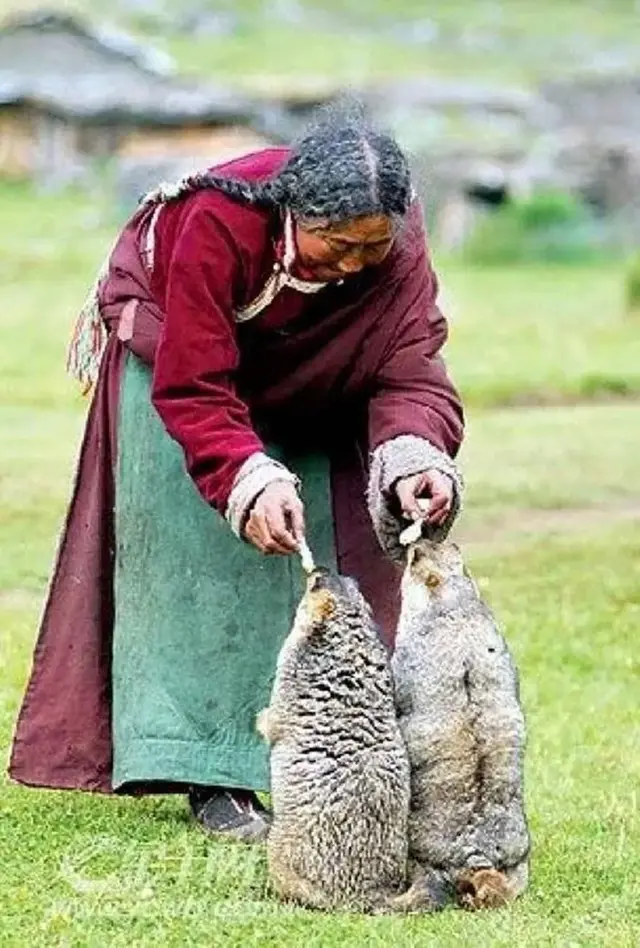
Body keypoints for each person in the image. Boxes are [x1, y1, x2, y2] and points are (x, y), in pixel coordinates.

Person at [9, 104, 465, 841]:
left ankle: (337, 762)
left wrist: (416, 455)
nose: (352, 264)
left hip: (308, 372)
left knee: (343, 541)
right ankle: (212, 771)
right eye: (336, 245)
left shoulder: (395, 240)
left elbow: (410, 365)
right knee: (209, 560)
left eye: (369, 249)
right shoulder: (218, 220)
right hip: (176, 364)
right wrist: (248, 476)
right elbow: (197, 385)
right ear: (294, 211)